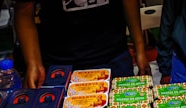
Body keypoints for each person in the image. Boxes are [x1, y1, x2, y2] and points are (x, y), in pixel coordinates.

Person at [14, 0, 150, 89]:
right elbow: (24, 7)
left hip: (114, 58)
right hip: (60, 65)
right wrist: (33, 63)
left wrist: (140, 48)